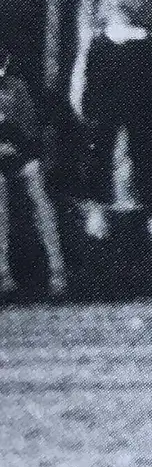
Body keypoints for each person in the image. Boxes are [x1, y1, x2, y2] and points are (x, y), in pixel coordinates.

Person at [69, 0, 152, 259]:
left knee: (101, 200)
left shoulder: (95, 45)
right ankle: (149, 251)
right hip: (144, 138)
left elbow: (79, 97)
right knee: (151, 201)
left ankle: (106, 253)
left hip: (103, 138)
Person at [0, 47, 67, 299]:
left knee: (38, 191)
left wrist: (24, 152)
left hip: (19, 153)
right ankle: (3, 273)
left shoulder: (15, 87)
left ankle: (57, 269)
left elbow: (28, 128)